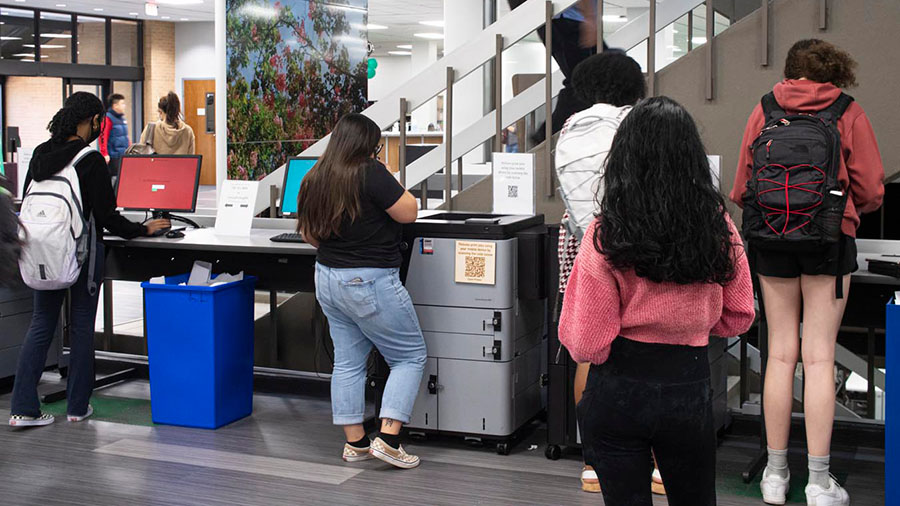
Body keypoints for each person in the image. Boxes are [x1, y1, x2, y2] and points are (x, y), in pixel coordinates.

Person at [559, 97, 755, 506]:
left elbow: (586, 343)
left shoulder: (605, 231)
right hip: (690, 385)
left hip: (618, 389)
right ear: (692, 158)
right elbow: (739, 314)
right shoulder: (717, 226)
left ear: (625, 157)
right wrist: (694, 322)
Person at [730, 39, 884, 506]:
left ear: (789, 71)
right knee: (818, 358)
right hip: (829, 242)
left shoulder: (764, 109)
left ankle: (775, 477)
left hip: (771, 240)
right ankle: (819, 483)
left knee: (780, 354)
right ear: (835, 70)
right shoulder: (848, 111)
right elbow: (872, 189)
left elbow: (741, 188)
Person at [8, 92, 169, 427]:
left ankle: (22, 409)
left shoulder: (40, 153)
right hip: (80, 254)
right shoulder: (89, 159)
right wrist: (144, 229)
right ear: (91, 121)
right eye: (99, 121)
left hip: (42, 254)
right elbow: (109, 218)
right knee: (81, 327)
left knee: (41, 324)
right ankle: (77, 408)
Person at [296, 113, 426, 469]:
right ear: (368, 145)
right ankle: (389, 439)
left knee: (348, 363)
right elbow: (409, 213)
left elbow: (308, 233)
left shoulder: (314, 176)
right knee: (409, 355)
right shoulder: (370, 171)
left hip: (327, 278)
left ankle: (355, 443)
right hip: (369, 281)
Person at [553, 50, 646, 494]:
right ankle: (649, 460)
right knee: (645, 351)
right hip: (634, 248)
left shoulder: (569, 128)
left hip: (581, 246)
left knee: (589, 352)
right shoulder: (637, 125)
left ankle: (593, 461)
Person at [507, 0, 607, 144]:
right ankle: (546, 134)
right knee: (582, 82)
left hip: (568, 19)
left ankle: (547, 134)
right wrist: (590, 18)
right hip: (566, 20)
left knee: (599, 77)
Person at [99, 93, 129, 179]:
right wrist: (104, 153)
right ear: (115, 105)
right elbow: (102, 137)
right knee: (115, 179)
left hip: (123, 155)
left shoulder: (122, 119)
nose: (124, 106)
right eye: (122, 104)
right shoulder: (107, 118)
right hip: (114, 156)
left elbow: (125, 137)